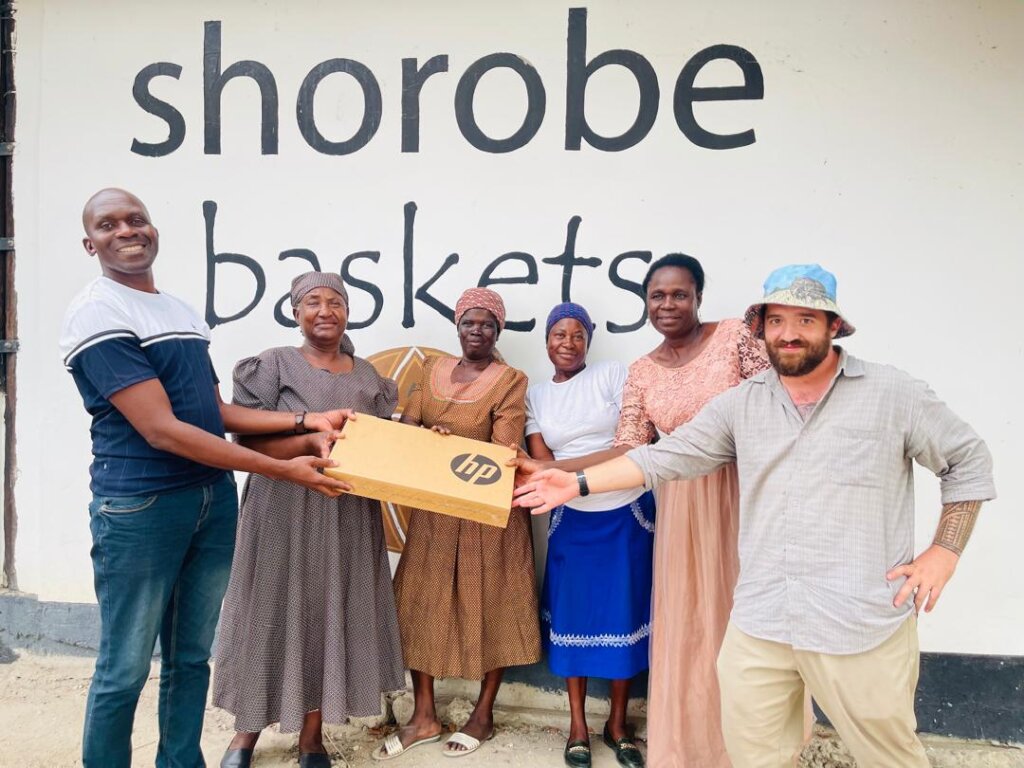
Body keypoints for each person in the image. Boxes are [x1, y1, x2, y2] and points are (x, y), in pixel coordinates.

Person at [514, 264, 996, 768]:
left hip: (857, 620)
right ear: (761, 329)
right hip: (762, 620)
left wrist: (945, 551)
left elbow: (967, 460)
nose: (789, 334)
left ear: (834, 325)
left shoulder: (892, 393)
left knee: (889, 754)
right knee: (754, 753)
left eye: (806, 319)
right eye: (776, 320)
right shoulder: (743, 404)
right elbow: (665, 456)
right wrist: (575, 481)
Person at [60, 189, 349, 768]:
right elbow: (163, 430)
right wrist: (282, 468)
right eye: (109, 225)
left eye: (136, 219)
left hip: (209, 499)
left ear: (154, 230)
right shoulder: (97, 312)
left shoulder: (179, 311)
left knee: (191, 658)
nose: (127, 230)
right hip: (141, 506)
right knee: (125, 668)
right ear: (90, 244)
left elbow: (213, 412)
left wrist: (306, 420)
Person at [212, 272, 406, 768]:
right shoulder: (273, 365)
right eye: (313, 302)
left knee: (327, 613)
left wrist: (431, 440)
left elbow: (384, 446)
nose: (325, 311)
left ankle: (312, 737)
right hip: (281, 508)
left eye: (335, 302)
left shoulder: (369, 378)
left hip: (346, 514)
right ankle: (245, 734)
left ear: (348, 312)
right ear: (295, 312)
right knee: (267, 610)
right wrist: (306, 442)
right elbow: (247, 442)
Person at [613, 254, 770, 768]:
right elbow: (629, 448)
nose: (668, 304)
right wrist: (553, 469)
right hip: (681, 503)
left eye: (679, 294)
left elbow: (778, 403)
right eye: (657, 295)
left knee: (744, 615)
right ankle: (692, 748)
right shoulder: (641, 371)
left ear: (699, 296)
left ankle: (752, 749)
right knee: (690, 623)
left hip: (743, 491)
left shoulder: (735, 337)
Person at [373, 287, 540, 760]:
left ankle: (483, 714)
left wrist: (449, 447)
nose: (477, 331)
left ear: (498, 330)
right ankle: (423, 716)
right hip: (435, 509)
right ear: (457, 325)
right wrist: (429, 437)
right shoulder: (431, 370)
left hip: (486, 512)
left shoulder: (511, 380)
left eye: (487, 324)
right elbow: (408, 427)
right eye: (469, 322)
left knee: (494, 602)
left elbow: (503, 450)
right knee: (419, 601)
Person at [524, 303, 654, 768]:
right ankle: (577, 725)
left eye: (578, 335)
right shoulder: (536, 395)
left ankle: (617, 724)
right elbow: (537, 463)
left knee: (624, 613)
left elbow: (630, 445)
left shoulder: (612, 375)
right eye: (559, 334)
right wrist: (558, 472)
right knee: (572, 616)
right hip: (572, 517)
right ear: (546, 341)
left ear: (589, 341)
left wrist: (564, 471)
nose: (569, 343)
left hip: (624, 510)